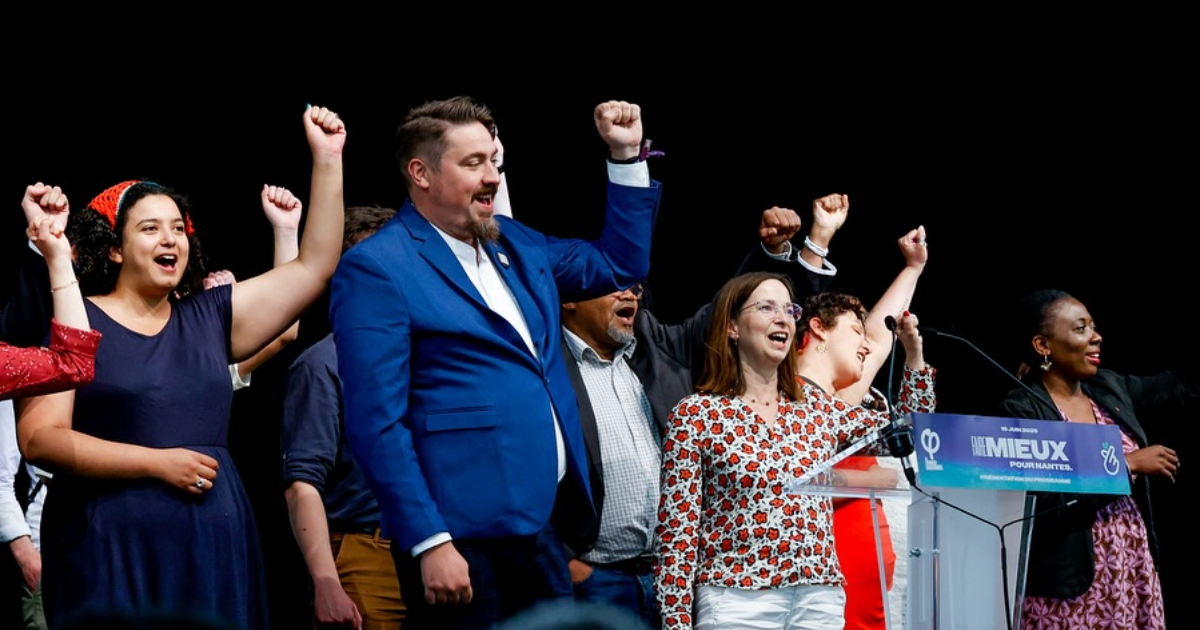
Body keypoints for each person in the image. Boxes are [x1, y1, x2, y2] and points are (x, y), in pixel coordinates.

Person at [329, 96, 660, 630]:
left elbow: (620, 262)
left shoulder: (518, 245)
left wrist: (625, 158)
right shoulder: (378, 267)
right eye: (473, 163)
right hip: (460, 541)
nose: (492, 177)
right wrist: (428, 541)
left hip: (544, 531)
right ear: (421, 173)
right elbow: (376, 423)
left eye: (495, 162)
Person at [15, 104, 346, 630]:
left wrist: (327, 159)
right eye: (150, 228)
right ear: (117, 249)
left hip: (210, 537)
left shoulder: (211, 317)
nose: (171, 239)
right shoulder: (78, 320)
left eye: (178, 228)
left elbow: (314, 267)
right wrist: (156, 463)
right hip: (110, 541)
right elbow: (40, 438)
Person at [560, 201, 846, 627]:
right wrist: (565, 562)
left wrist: (772, 255)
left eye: (635, 286)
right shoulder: (548, 369)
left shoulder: (656, 345)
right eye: (614, 282)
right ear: (569, 298)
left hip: (671, 574)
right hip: (597, 578)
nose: (630, 294)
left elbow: (731, 310)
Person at [655, 227, 934, 630]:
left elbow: (910, 433)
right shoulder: (698, 415)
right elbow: (677, 538)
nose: (782, 317)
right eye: (766, 308)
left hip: (819, 598)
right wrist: (676, 623)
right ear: (732, 326)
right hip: (737, 599)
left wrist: (915, 358)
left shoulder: (817, 408)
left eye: (789, 309)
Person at [996, 289, 1189, 630]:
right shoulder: (1023, 410)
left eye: (1093, 327)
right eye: (1081, 328)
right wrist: (1126, 464)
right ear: (1043, 346)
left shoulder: (1108, 389)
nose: (1096, 337)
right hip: (1069, 587)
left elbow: (1177, 384)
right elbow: (1042, 506)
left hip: (1130, 572)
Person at [281, 205, 405, 630]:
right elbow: (302, 483)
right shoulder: (323, 364)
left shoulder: (435, 353)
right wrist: (326, 582)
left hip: (441, 547)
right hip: (367, 552)